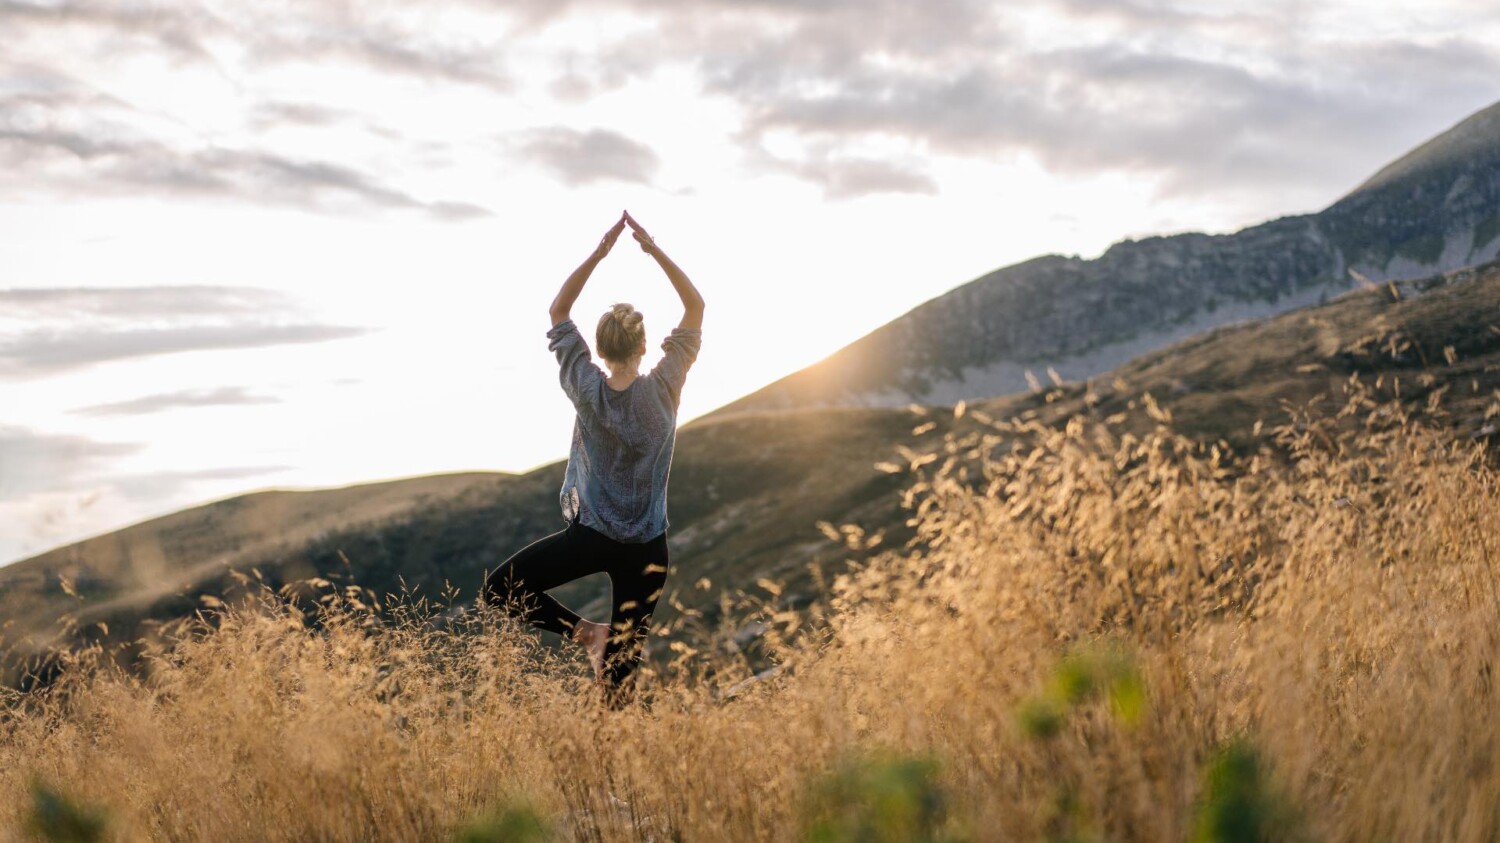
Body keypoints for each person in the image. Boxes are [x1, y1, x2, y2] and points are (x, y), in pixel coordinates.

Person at [484, 210, 705, 709]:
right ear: (646, 346)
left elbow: (559, 308)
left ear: (599, 350)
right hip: (648, 548)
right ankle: (613, 778)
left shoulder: (586, 387)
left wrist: (600, 253)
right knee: (619, 691)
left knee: (499, 589)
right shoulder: (666, 386)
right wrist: (653, 249)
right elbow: (695, 305)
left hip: (590, 538)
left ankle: (586, 633)